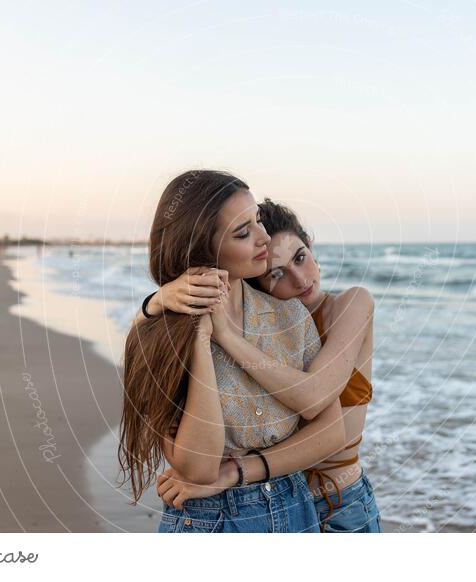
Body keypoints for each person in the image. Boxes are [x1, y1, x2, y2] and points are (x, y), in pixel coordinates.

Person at [119, 170, 345, 533]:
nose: (264, 238)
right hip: (210, 520)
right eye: (243, 233)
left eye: (257, 221)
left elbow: (332, 431)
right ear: (203, 249)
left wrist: (237, 471)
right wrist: (198, 338)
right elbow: (198, 468)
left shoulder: (288, 315)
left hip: (295, 508)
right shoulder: (163, 332)